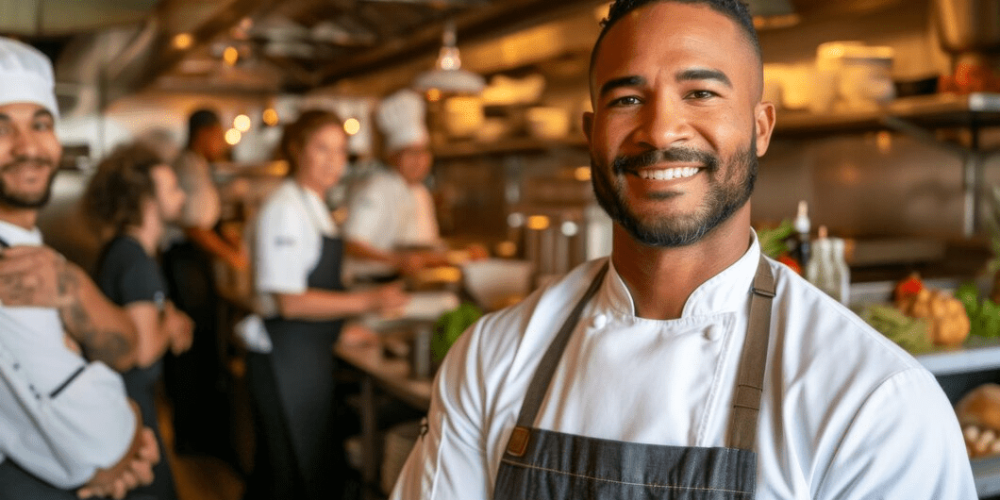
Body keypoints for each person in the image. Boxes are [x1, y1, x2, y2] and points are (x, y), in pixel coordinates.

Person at [391, 1, 977, 498]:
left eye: (700, 92)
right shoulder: (491, 360)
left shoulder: (873, 402)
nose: (661, 130)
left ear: (761, 127)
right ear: (591, 131)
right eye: (626, 100)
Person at [0, 37, 160, 499]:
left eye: (41, 123)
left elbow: (126, 348)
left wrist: (74, 289)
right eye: (1, 127)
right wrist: (133, 434)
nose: (28, 146)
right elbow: (99, 443)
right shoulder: (13, 271)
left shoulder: (39, 255)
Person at [245, 109, 409, 500]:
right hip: (284, 356)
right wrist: (369, 299)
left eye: (341, 151)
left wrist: (339, 328)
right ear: (296, 149)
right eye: (322, 148)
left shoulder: (313, 205)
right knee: (294, 477)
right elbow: (289, 302)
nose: (334, 160)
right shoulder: (284, 209)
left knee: (289, 472)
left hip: (304, 352)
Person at [84, 142, 197, 500]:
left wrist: (167, 318)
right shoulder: (135, 261)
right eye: (173, 188)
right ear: (148, 201)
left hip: (125, 401)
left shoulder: (126, 251)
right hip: (131, 404)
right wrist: (172, 325)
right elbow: (145, 350)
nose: (181, 196)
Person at [161, 107, 243, 460]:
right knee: (192, 348)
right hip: (185, 262)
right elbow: (194, 227)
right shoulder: (188, 166)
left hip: (190, 261)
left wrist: (228, 238)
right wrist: (231, 255)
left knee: (199, 347)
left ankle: (197, 434)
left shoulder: (195, 165)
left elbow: (208, 219)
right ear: (204, 133)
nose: (222, 142)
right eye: (219, 134)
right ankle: (192, 438)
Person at [343, 89, 446, 280]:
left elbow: (425, 249)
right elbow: (351, 244)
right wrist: (396, 260)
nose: (419, 161)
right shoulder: (377, 188)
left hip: (410, 285)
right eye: (411, 153)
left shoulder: (421, 193)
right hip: (371, 285)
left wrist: (456, 257)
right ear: (392, 156)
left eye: (423, 153)